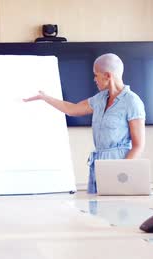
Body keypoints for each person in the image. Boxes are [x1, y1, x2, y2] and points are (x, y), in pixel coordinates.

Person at [24, 53, 145, 194]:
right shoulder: (100, 99)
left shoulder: (132, 102)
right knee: (95, 211)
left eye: (96, 74)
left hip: (119, 164)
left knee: (114, 211)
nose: (94, 79)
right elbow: (72, 109)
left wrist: (120, 173)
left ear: (107, 75)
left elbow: (138, 146)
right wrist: (45, 98)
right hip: (98, 164)